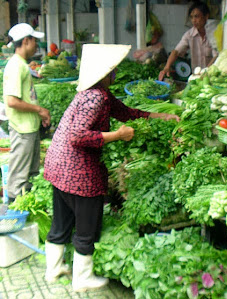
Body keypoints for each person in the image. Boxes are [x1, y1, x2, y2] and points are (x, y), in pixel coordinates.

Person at [43, 44, 179, 292]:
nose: (114, 73)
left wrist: (160, 117)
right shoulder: (96, 97)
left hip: (58, 166)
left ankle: (53, 270)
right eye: (112, 70)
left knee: (61, 221)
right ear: (103, 73)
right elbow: (78, 136)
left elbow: (125, 112)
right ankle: (82, 279)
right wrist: (116, 135)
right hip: (78, 172)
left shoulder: (95, 93)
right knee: (86, 224)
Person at [2, 23, 51, 203]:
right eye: (34, 41)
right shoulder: (16, 66)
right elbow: (12, 101)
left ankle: (26, 207)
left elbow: (24, 98)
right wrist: (39, 109)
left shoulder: (21, 65)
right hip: (22, 129)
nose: (37, 45)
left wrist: (39, 115)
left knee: (30, 172)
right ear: (26, 41)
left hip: (28, 127)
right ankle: (16, 208)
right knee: (20, 176)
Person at [158, 1, 218, 81]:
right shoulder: (189, 35)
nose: (193, 20)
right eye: (191, 17)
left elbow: (216, 56)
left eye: (196, 16)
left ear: (206, 16)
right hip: (195, 77)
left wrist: (205, 72)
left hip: (212, 77)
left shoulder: (213, 34)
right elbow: (176, 51)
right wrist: (167, 67)